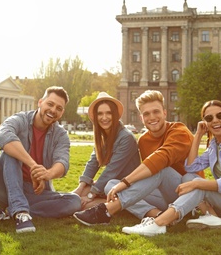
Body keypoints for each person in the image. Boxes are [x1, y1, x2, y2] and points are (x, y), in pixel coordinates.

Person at [120, 100, 221, 236]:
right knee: (189, 178)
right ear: (205, 122)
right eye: (209, 118)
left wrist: (197, 184)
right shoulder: (214, 145)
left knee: (199, 185)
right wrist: (198, 135)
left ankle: (159, 223)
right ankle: (212, 217)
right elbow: (191, 167)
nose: (215, 120)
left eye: (219, 115)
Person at [73, 90, 204, 226]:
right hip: (162, 195)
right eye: (146, 114)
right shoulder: (144, 140)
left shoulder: (179, 131)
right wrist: (83, 187)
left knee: (161, 169)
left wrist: (124, 183)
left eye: (156, 112)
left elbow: (161, 158)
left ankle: (105, 211)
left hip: (186, 194)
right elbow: (94, 162)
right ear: (141, 118)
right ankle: (158, 214)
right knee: (111, 185)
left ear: (165, 113)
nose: (152, 117)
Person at [0, 86, 81, 234]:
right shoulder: (19, 120)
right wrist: (34, 166)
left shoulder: (60, 134)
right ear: (40, 102)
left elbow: (63, 162)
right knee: (10, 151)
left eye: (58, 108)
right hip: (3, 187)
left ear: (62, 112)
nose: (53, 110)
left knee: (75, 201)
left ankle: (12, 210)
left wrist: (46, 175)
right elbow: (4, 136)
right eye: (50, 104)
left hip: (32, 191)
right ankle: (20, 213)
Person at [71, 92, 141, 210]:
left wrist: (91, 194)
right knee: (77, 197)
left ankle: (120, 207)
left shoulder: (126, 137)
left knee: (82, 205)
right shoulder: (103, 137)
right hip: (110, 183)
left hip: (124, 187)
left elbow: (111, 171)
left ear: (115, 115)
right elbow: (93, 162)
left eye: (109, 113)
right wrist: (80, 188)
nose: (104, 118)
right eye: (100, 114)